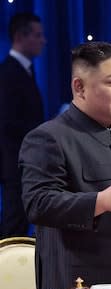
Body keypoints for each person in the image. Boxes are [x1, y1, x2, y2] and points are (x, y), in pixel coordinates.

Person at [19, 42, 111, 289]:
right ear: (79, 87)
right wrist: (100, 201)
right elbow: (38, 203)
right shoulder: (49, 137)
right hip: (84, 284)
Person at [0, 12, 46, 238]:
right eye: (37, 35)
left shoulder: (23, 71)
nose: (43, 40)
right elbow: (8, 122)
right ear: (20, 36)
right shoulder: (8, 73)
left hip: (23, 162)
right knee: (14, 222)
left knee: (18, 221)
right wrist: (44, 131)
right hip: (15, 162)